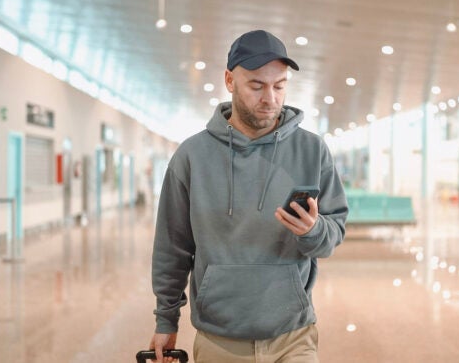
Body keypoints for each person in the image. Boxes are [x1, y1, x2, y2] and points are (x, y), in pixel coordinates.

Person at [149, 30, 348, 362]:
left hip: (293, 336)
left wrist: (313, 231)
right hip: (220, 339)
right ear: (229, 80)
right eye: (256, 86)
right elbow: (172, 247)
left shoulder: (312, 151)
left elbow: (334, 232)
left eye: (279, 85)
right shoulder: (192, 156)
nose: (269, 97)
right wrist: (165, 319)